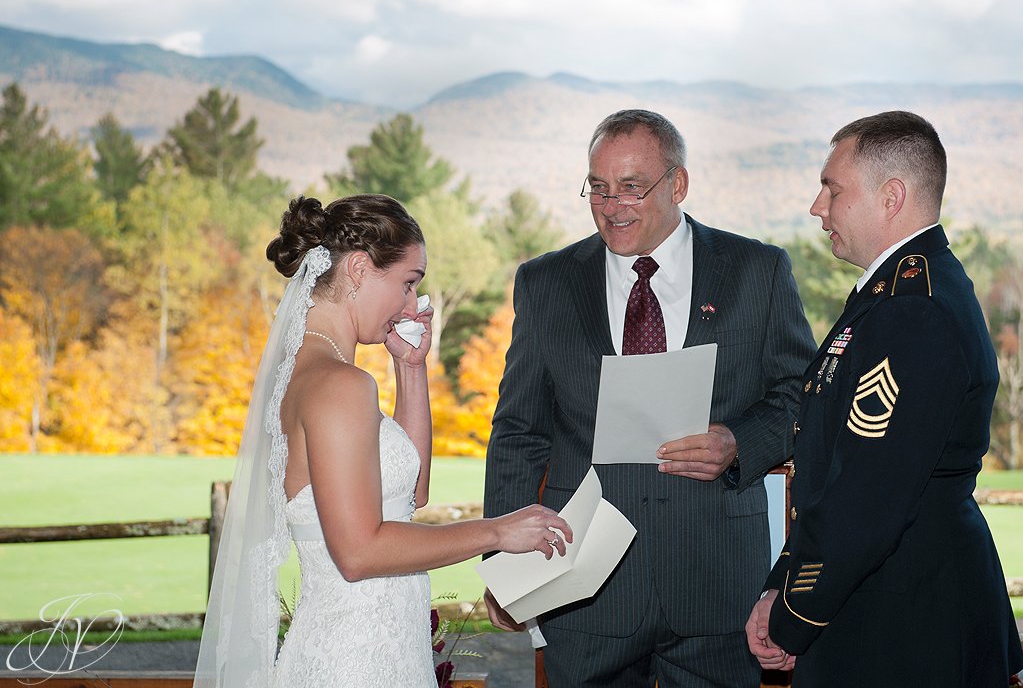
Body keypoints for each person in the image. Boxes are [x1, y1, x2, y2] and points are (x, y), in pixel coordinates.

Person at [483, 109, 817, 687]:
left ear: (678, 184)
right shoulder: (546, 283)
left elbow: (801, 399)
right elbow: (519, 431)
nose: (612, 207)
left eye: (632, 188)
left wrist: (738, 441)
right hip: (583, 591)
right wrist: (504, 563)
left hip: (715, 585)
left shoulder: (757, 271)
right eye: (599, 189)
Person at [194, 193, 571, 688]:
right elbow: (359, 553)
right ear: (357, 269)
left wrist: (410, 369)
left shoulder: (311, 373)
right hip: (356, 662)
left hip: (377, 649)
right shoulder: (340, 385)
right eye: (407, 283)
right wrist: (497, 532)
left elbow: (409, 498)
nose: (412, 305)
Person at [745, 111, 1023, 685]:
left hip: (908, 627)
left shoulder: (912, 309)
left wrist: (794, 616)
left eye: (832, 188)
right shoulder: (893, 293)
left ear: (891, 196)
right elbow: (833, 474)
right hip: (884, 610)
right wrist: (782, 580)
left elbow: (866, 495)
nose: (817, 206)